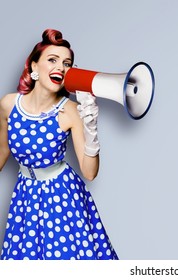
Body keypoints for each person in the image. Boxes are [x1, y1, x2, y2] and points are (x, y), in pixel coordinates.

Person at [0, 29, 118, 260]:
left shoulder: (71, 110)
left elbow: (89, 172)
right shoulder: (8, 104)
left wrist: (91, 128)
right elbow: (3, 151)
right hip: (26, 196)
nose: (61, 68)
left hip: (62, 195)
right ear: (34, 67)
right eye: (52, 60)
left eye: (67, 63)